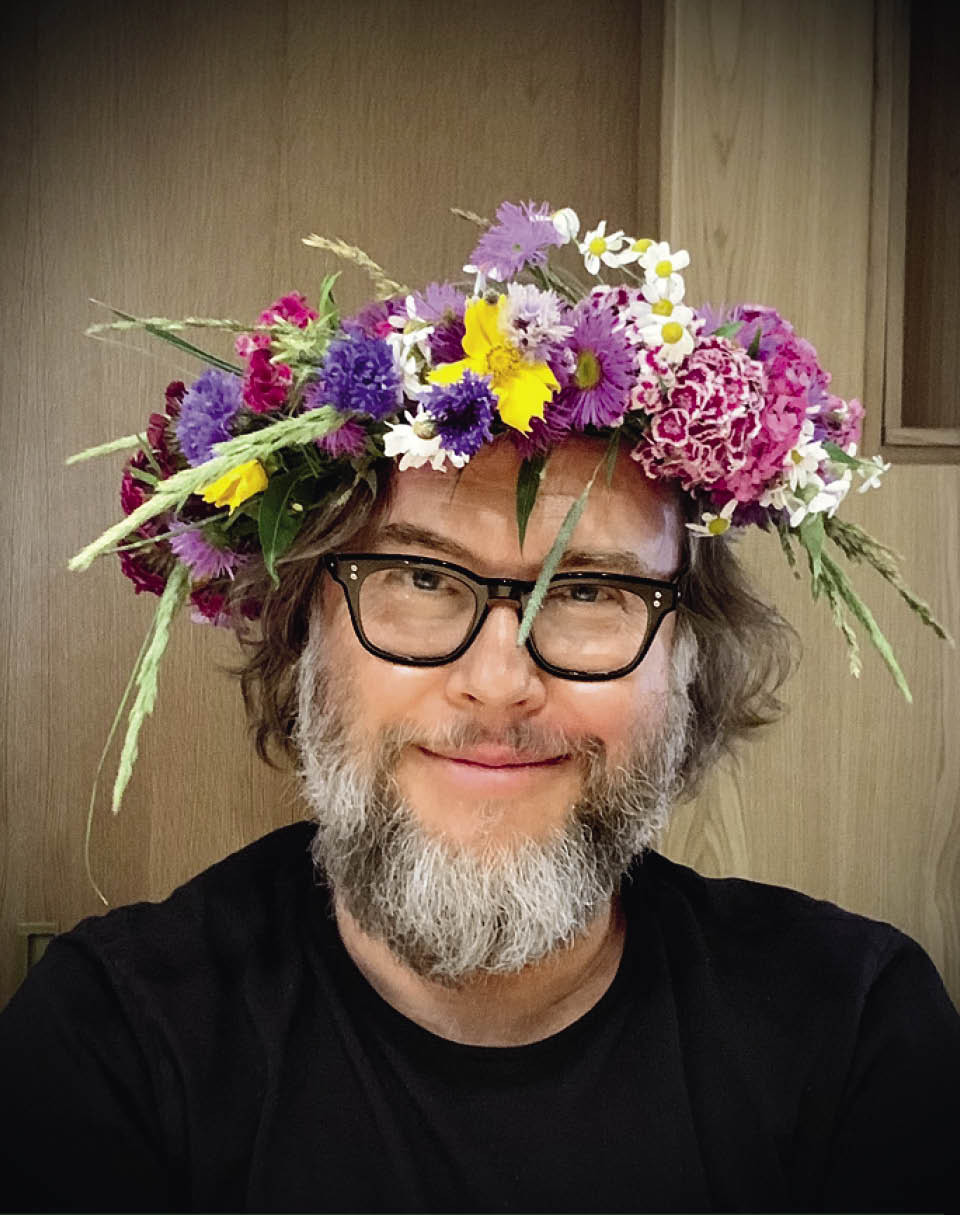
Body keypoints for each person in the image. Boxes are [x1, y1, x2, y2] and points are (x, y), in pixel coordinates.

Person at [2, 202, 958, 1213]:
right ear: (303, 629)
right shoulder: (112, 1045)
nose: (500, 682)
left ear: (688, 656)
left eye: (588, 590)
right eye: (421, 577)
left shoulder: (856, 1035)